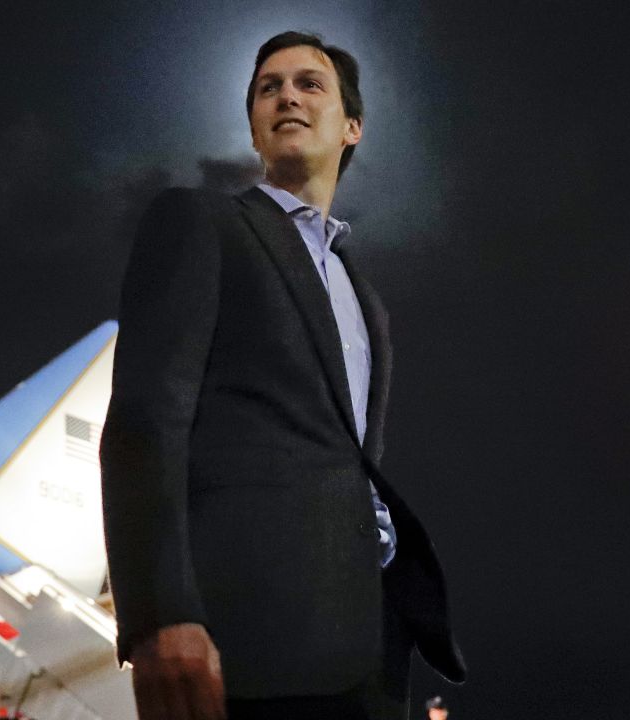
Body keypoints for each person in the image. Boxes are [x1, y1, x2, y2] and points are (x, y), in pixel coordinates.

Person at [99, 30, 465, 720]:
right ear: (255, 130)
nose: (287, 95)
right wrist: (160, 614)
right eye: (269, 87)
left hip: (365, 646)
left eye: (308, 83)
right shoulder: (202, 223)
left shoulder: (364, 297)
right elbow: (147, 418)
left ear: (352, 127)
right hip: (252, 644)